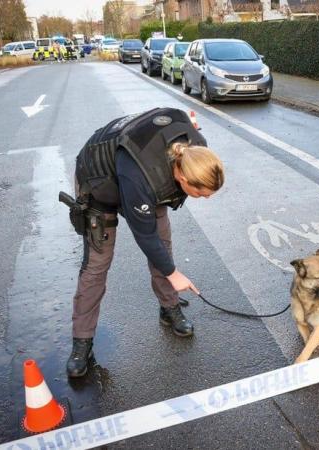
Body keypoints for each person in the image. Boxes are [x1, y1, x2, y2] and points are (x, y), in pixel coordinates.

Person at [63, 107, 224, 378]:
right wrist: (174, 274)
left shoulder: (196, 152)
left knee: (164, 246)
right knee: (97, 266)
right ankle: (82, 342)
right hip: (99, 183)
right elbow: (145, 236)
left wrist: (170, 271)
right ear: (182, 177)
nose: (205, 198)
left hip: (144, 178)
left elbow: (157, 244)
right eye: (200, 193)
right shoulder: (142, 176)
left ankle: (169, 307)